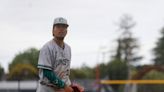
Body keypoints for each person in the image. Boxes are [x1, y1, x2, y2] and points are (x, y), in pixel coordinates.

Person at [36, 17, 73, 92]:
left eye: (64, 27)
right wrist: (64, 86)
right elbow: (47, 73)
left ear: (66, 31)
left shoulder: (68, 49)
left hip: (61, 89)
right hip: (47, 88)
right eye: (58, 26)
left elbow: (65, 73)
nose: (61, 29)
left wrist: (70, 85)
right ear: (53, 31)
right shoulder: (47, 48)